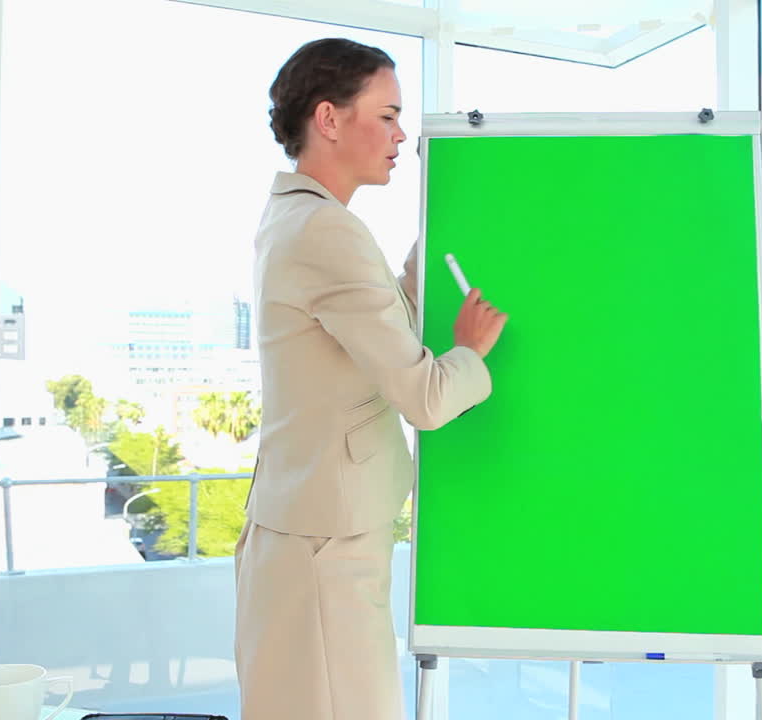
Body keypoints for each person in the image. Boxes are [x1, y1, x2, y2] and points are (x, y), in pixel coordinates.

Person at [233, 38, 508, 720]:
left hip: (311, 533)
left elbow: (385, 322)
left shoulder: (300, 219)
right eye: (386, 115)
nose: (400, 133)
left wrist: (447, 214)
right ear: (329, 119)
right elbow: (425, 396)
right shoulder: (327, 231)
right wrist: (469, 351)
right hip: (324, 546)